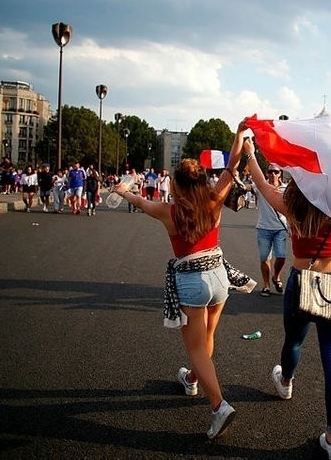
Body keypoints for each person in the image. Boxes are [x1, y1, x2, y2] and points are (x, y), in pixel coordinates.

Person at [110, 125, 247, 440]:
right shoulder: (215, 198)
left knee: (196, 346)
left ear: (178, 186)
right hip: (219, 275)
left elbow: (140, 202)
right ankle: (193, 380)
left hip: (192, 279)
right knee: (207, 337)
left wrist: (123, 191)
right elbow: (231, 167)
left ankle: (218, 406)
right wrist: (238, 137)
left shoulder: (167, 211)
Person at [240, 129, 331, 460]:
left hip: (301, 278)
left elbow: (259, 180)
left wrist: (249, 150)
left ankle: (285, 382)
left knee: (294, 341)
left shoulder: (292, 202)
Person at [249, 163, 288, 297]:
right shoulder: (260, 186)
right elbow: (247, 188)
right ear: (266, 173)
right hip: (263, 228)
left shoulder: (286, 188)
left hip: (280, 228)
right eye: (270, 172)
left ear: (280, 174)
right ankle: (266, 285)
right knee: (264, 258)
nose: (273, 174)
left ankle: (276, 277)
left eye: (276, 172)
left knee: (281, 256)